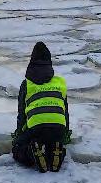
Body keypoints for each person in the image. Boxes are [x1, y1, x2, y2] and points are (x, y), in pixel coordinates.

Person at [12, 41, 71, 172]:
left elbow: (22, 114)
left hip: (36, 127)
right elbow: (65, 111)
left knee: (18, 150)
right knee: (53, 141)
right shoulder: (60, 82)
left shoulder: (27, 84)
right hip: (58, 126)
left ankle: (31, 153)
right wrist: (65, 133)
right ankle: (56, 149)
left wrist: (19, 136)